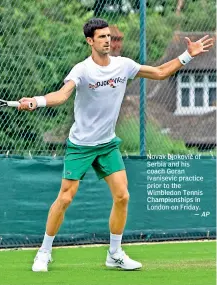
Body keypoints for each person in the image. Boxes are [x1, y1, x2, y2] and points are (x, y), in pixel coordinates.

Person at [18, 18, 213, 271]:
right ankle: (44, 252)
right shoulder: (82, 70)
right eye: (101, 37)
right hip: (81, 145)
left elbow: (160, 72)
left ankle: (114, 253)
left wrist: (188, 54)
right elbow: (63, 94)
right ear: (90, 41)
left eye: (109, 36)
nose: (108, 40)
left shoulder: (124, 66)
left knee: (122, 196)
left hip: (108, 144)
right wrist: (37, 100)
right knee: (65, 198)